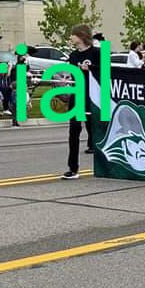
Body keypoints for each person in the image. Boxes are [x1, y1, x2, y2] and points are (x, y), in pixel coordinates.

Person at [61, 24, 100, 179]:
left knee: (97, 129)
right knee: (74, 130)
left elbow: (106, 73)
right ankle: (73, 168)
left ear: (81, 36)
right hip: (78, 95)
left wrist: (90, 69)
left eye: (73, 34)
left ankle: (105, 165)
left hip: (95, 96)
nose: (70, 37)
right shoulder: (73, 56)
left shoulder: (97, 53)